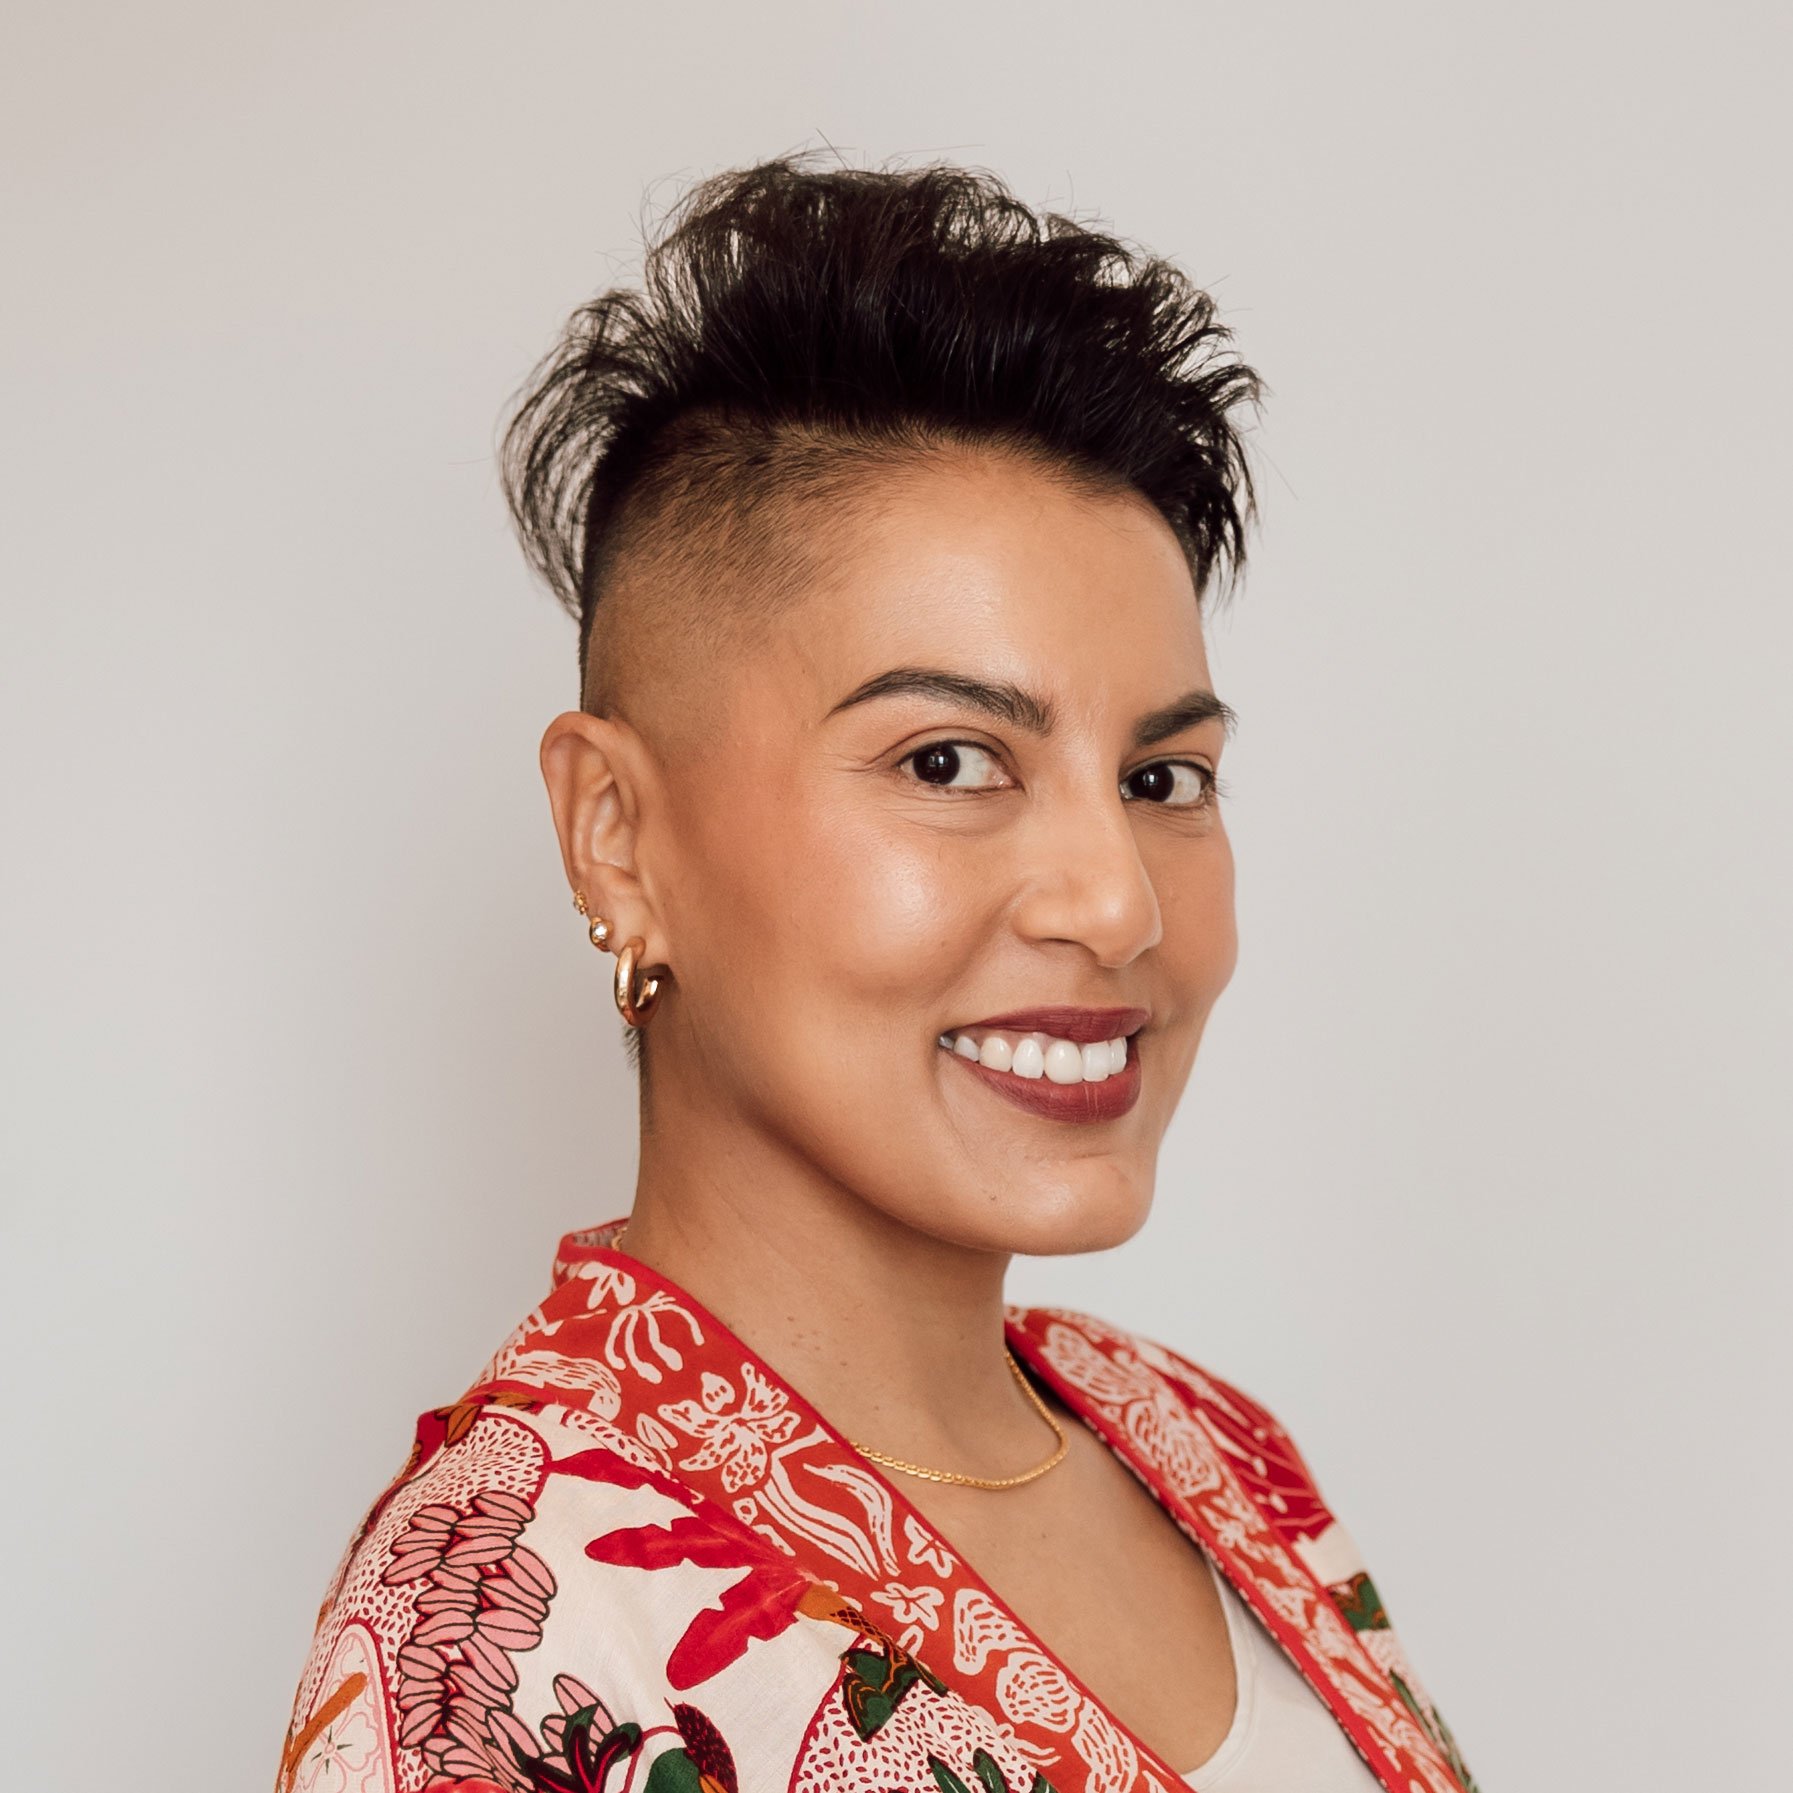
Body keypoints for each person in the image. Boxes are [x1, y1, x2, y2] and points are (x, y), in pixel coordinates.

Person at [275, 152, 1479, 1793]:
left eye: (1160, 778)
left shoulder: (1205, 1446)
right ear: (618, 835)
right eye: (946, 760)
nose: (1114, 902)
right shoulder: (507, 1620)